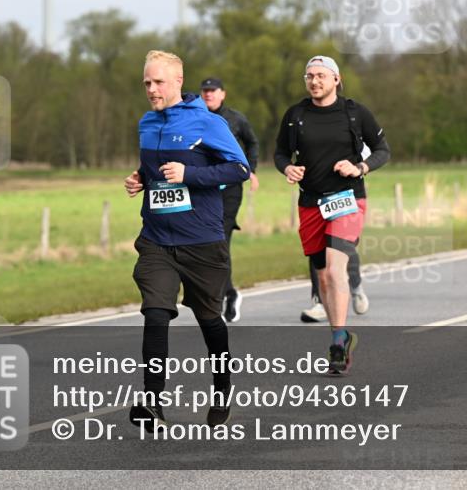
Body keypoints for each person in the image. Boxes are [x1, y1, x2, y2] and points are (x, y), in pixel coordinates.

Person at [123, 51, 250, 430]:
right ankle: (152, 404)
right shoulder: (146, 122)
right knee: (155, 312)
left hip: (201, 240)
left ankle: (223, 389)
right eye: (146, 82)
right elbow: (154, 171)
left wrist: (189, 173)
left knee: (210, 318)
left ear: (178, 81)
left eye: (158, 82)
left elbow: (239, 168)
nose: (151, 89)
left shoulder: (206, 122)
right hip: (157, 239)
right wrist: (141, 180)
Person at [273, 55, 390, 375]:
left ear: (336, 79)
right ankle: (339, 332)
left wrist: (360, 167)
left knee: (336, 269)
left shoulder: (355, 113)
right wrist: (288, 167)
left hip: (348, 198)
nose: (314, 81)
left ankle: (338, 342)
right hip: (311, 201)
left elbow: (383, 149)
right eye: (309, 76)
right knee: (322, 276)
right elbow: (280, 152)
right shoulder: (295, 115)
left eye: (321, 76)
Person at [200, 77, 260, 322]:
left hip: (231, 187)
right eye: (205, 91)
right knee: (206, 244)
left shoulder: (236, 119)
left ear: (222, 94)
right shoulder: (196, 118)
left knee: (219, 241)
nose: (208, 95)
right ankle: (229, 292)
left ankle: (224, 296)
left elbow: (252, 142)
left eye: (212, 91)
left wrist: (252, 169)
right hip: (204, 187)